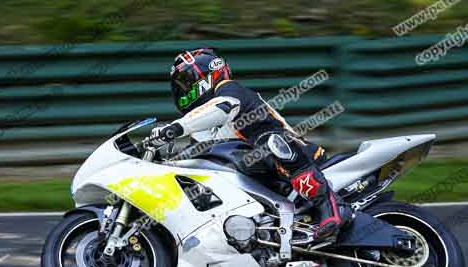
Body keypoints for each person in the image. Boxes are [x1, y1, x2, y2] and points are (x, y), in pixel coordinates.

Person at [146, 47, 351, 242]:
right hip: (262, 180)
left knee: (270, 142)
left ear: (206, 75)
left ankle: (330, 205)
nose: (183, 90)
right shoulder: (198, 127)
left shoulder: (228, 90)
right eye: (179, 86)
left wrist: (175, 128)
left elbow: (223, 107)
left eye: (186, 82)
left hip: (304, 159)